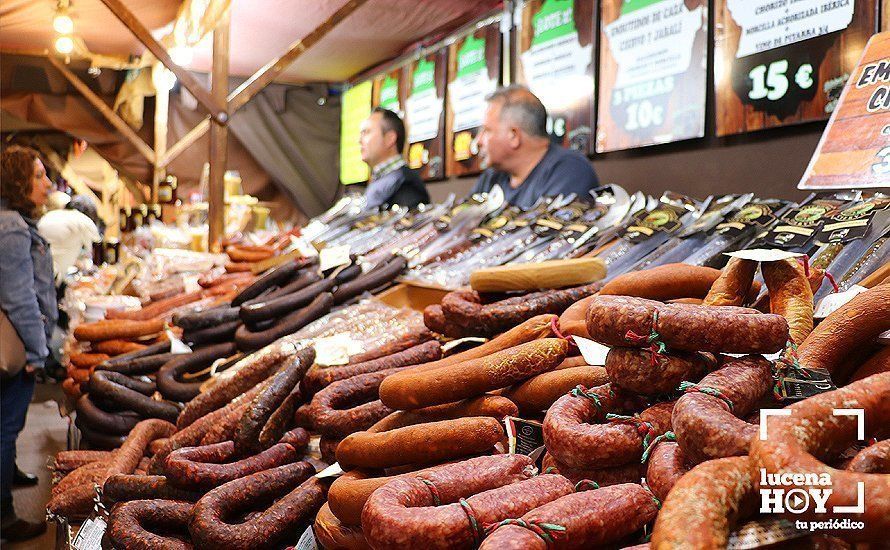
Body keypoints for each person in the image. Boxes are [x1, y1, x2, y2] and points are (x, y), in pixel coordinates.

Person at [0, 145, 56, 542]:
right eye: (38, 176)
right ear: (20, 182)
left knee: (8, 423)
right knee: (5, 425)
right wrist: (38, 351)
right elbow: (20, 297)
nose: (47, 184)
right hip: (14, 345)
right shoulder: (12, 228)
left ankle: (10, 470)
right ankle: (3, 516)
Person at [472, 85, 599, 208]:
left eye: (487, 131)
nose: (478, 141)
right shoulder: (491, 177)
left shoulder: (570, 170)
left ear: (514, 136)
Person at [359, 107, 430, 209]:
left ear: (390, 138)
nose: (360, 140)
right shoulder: (383, 179)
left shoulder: (405, 183)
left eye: (366, 132)